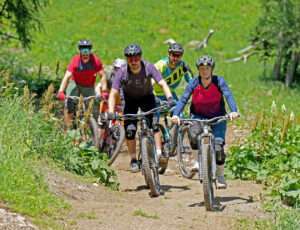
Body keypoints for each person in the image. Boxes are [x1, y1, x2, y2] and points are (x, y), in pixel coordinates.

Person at [171, 55, 239, 188]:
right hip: (198, 116)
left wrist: (234, 111)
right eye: (201, 68)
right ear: (198, 70)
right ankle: (197, 162)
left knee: (219, 147)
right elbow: (184, 99)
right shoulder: (194, 83)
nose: (204, 71)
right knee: (193, 135)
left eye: (207, 68)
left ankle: (219, 175)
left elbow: (228, 95)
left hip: (218, 117)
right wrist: (176, 114)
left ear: (211, 69)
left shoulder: (219, 81)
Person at [108, 44, 174, 172]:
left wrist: (170, 98)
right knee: (130, 131)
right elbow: (113, 92)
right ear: (127, 59)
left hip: (147, 99)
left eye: (136, 58)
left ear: (140, 57)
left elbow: (162, 83)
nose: (133, 62)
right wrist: (111, 112)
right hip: (130, 101)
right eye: (130, 59)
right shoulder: (122, 71)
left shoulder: (149, 67)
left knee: (154, 125)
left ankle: (159, 153)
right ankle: (133, 159)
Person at [56, 39, 107, 129]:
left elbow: (102, 76)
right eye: (83, 50)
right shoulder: (75, 60)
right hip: (75, 83)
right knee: (70, 103)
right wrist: (61, 91)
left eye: (87, 50)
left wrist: (104, 91)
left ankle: (93, 129)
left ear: (90, 51)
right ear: (79, 51)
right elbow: (67, 76)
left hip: (88, 86)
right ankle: (68, 129)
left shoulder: (96, 61)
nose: (85, 53)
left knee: (93, 106)